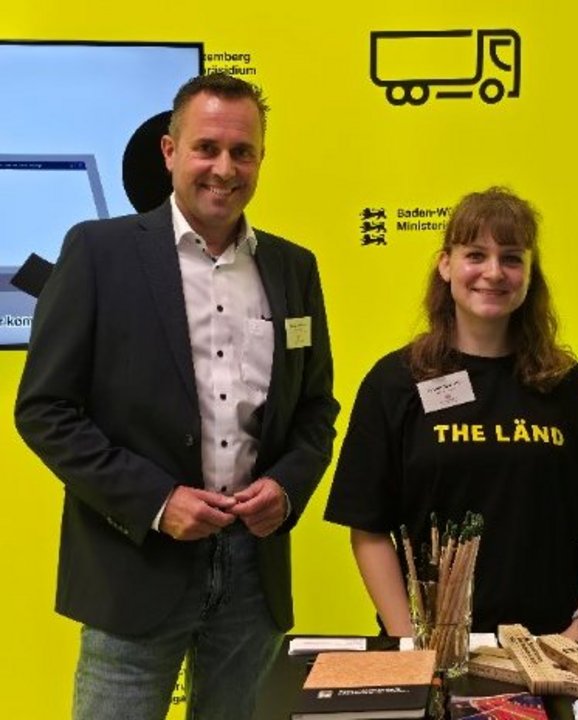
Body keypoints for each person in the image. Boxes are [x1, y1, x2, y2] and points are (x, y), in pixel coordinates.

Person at [14, 72, 338, 719]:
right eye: (206, 148)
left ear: (261, 158)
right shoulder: (97, 253)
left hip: (254, 573)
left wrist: (288, 487)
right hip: (133, 564)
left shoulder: (292, 269)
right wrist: (157, 502)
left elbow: (316, 411)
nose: (224, 168)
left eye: (242, 152)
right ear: (170, 152)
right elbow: (45, 410)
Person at [325, 187, 578, 643]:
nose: (493, 273)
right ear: (446, 264)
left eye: (511, 258)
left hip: (551, 648)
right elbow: (368, 529)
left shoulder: (564, 383)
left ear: (530, 275)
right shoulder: (395, 382)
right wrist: (412, 641)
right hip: (433, 647)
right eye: (476, 254)